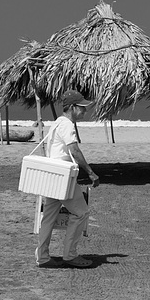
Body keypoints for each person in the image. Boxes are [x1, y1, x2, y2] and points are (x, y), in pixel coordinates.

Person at [36, 90, 100, 268]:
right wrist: (90, 172)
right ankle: (70, 255)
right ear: (72, 107)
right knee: (81, 213)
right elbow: (74, 151)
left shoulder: (57, 123)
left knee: (48, 217)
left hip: (51, 174)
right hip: (62, 176)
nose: (85, 111)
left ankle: (43, 257)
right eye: (82, 108)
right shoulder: (67, 125)